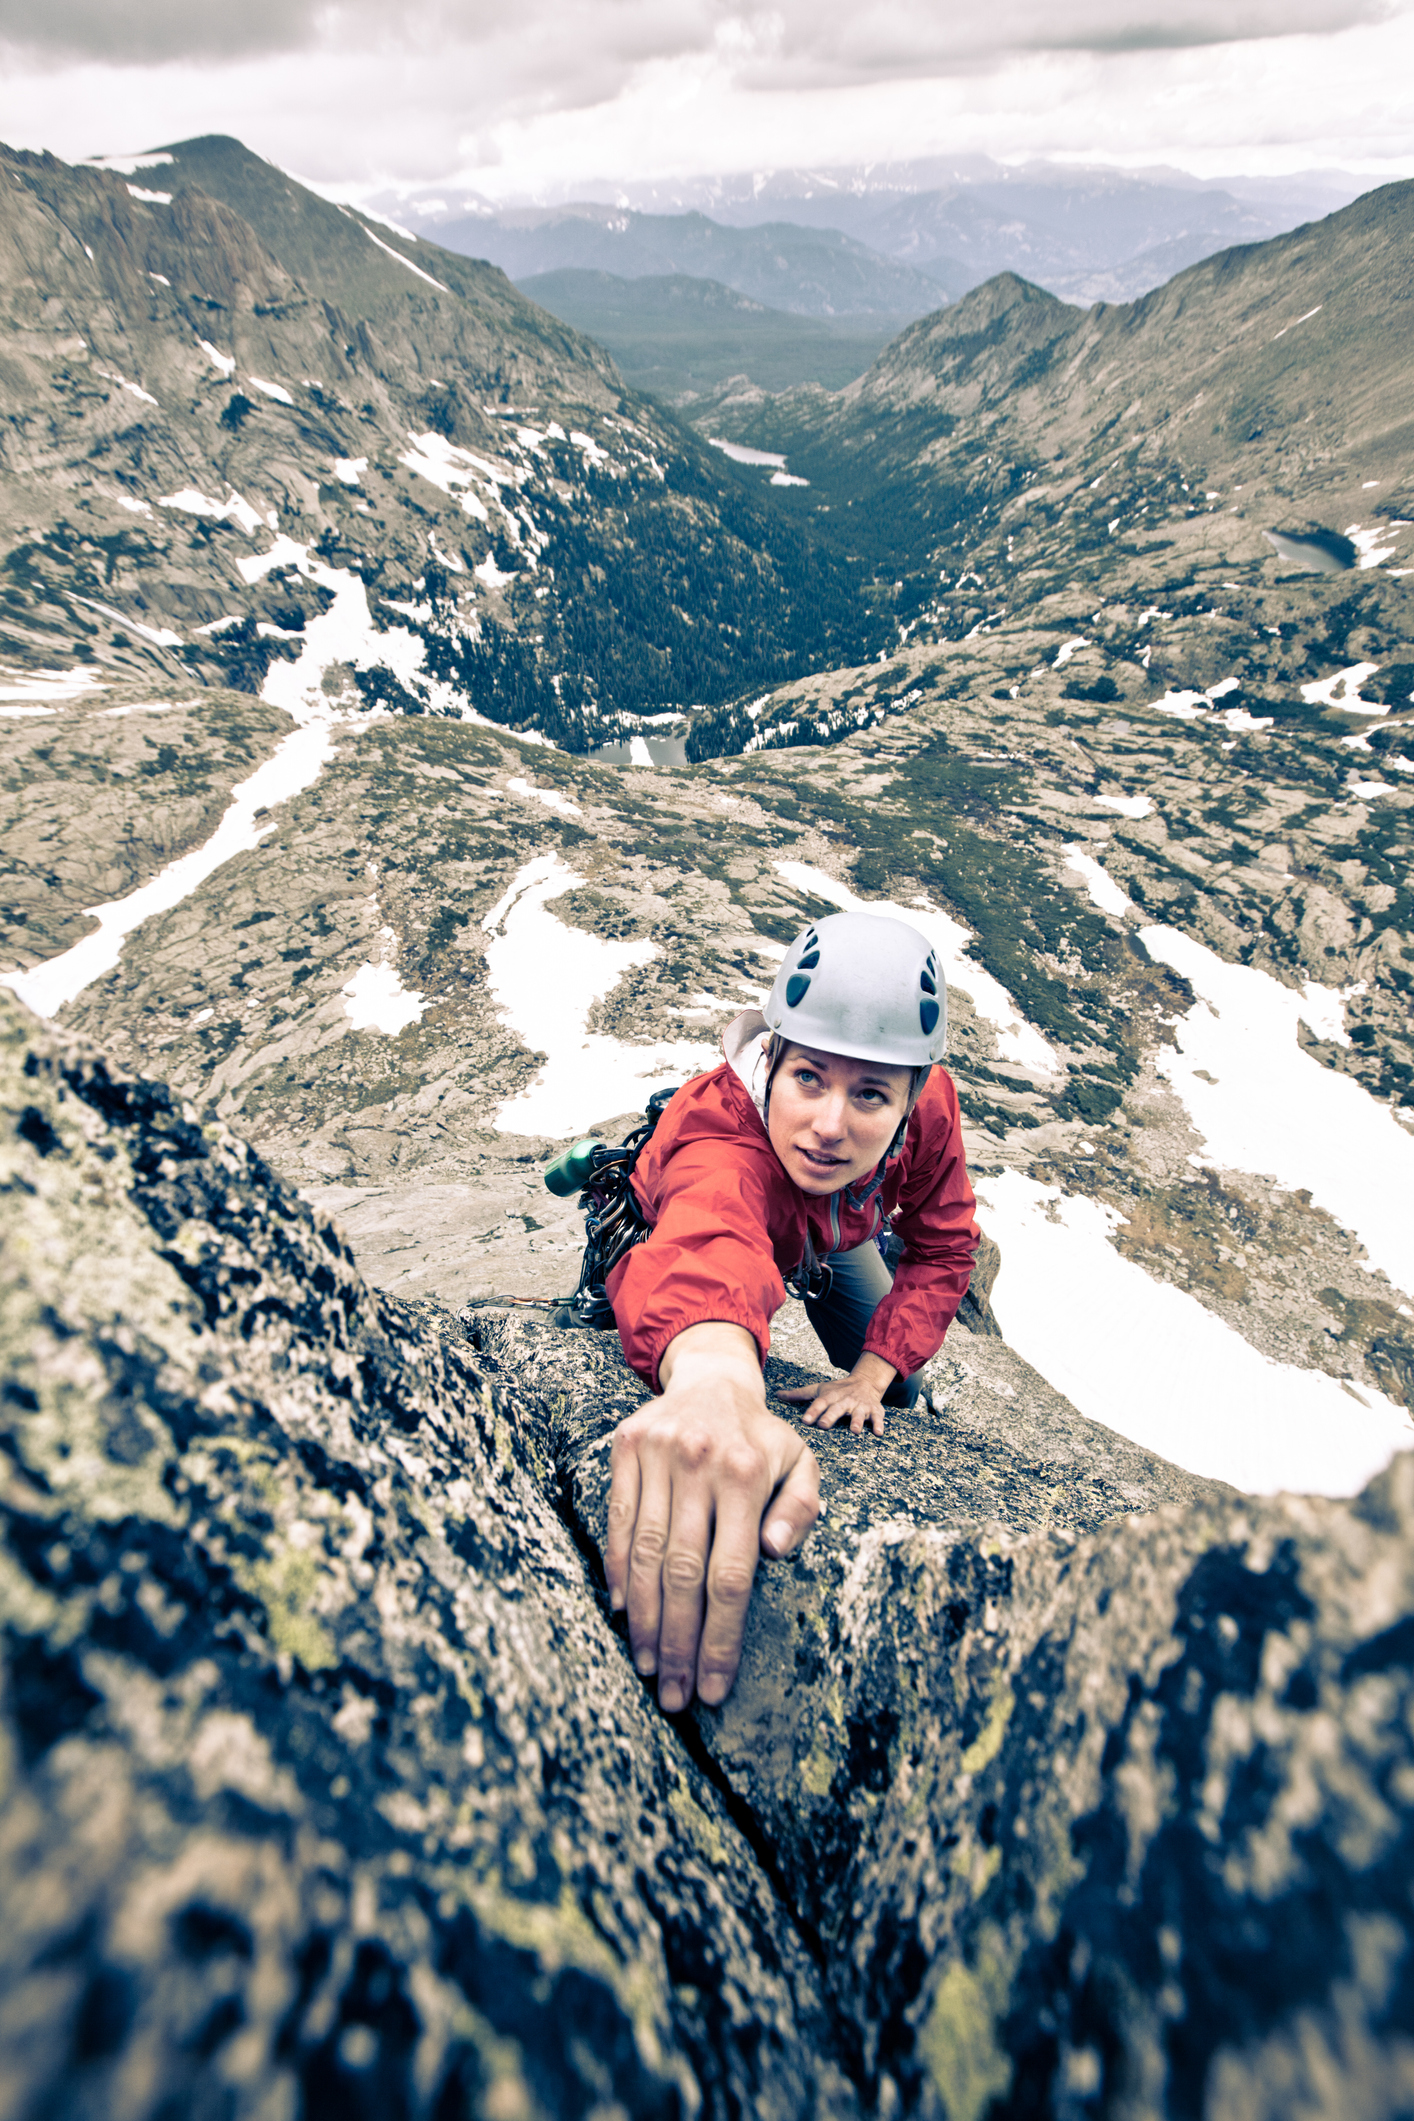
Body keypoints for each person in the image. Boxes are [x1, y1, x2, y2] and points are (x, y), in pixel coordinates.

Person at [601, 910, 979, 1714]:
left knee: (898, 1396)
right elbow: (709, 1243)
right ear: (770, 1059)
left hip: (831, 1234)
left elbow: (945, 1248)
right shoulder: (720, 1137)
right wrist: (716, 1382)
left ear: (912, 1100)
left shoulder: (932, 1109)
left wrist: (874, 1375)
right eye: (808, 1078)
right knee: (677, 1320)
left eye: (870, 1093)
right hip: (747, 1226)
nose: (830, 1125)